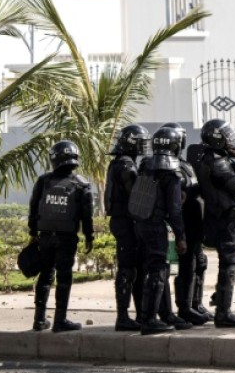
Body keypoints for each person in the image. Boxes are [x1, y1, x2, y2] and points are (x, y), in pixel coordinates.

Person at [28, 140, 94, 332]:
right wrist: (89, 237)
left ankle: (39, 320)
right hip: (66, 238)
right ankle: (60, 320)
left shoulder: (43, 181)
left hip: (46, 236)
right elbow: (86, 215)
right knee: (64, 277)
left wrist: (33, 233)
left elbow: (33, 209)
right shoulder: (81, 185)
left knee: (45, 275)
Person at [198, 119, 235, 328]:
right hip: (224, 218)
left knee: (227, 262)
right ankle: (223, 312)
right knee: (229, 263)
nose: (230, 139)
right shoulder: (220, 163)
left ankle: (220, 303)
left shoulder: (207, 158)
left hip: (217, 216)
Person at [134, 126, 188, 335]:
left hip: (140, 223)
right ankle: (149, 320)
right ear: (176, 146)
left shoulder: (145, 165)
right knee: (158, 271)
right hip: (156, 226)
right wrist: (181, 236)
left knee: (154, 270)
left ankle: (160, 315)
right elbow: (174, 209)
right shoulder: (172, 172)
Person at [104, 124, 148, 331]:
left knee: (136, 269)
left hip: (125, 221)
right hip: (126, 221)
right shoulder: (126, 166)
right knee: (128, 269)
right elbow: (136, 195)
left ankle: (140, 314)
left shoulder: (120, 163)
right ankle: (123, 317)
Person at [170, 124, 210, 325]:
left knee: (199, 263)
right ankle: (184, 308)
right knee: (186, 267)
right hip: (182, 222)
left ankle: (196, 303)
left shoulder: (186, 164)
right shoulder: (171, 166)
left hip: (195, 222)